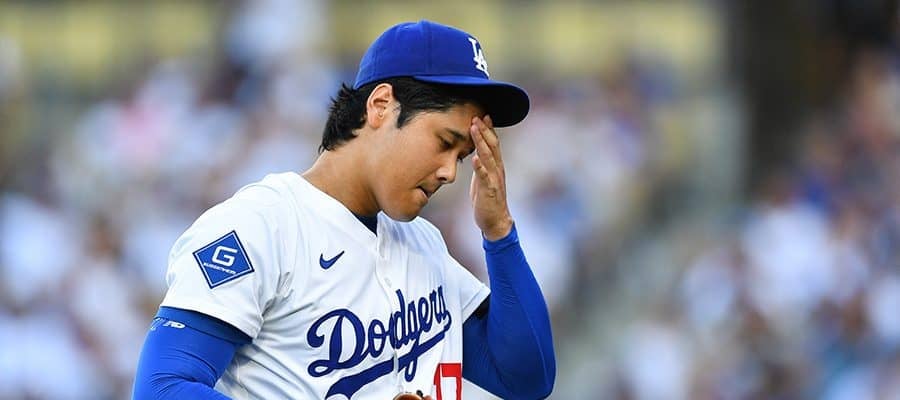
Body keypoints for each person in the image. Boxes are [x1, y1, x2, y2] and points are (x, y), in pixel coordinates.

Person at [132, 20, 555, 400]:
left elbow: (525, 377)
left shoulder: (424, 243)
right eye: (444, 142)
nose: (449, 172)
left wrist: (499, 232)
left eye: (462, 156)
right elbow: (162, 388)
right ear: (381, 105)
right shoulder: (261, 226)